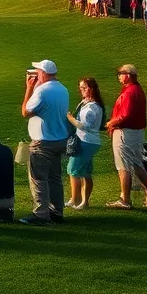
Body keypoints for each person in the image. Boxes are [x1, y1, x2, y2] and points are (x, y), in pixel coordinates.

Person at [20, 59, 70, 225]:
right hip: (59, 140)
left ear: (43, 73)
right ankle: (57, 212)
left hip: (43, 142)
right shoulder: (63, 89)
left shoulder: (42, 92)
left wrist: (28, 88)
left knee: (38, 177)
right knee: (55, 177)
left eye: (38, 72)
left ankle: (41, 214)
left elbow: (25, 112)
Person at [105, 66, 147, 209]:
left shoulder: (130, 91)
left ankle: (125, 199)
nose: (118, 76)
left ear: (129, 75)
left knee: (123, 166)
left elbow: (125, 115)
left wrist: (111, 123)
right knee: (136, 163)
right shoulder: (135, 89)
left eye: (121, 74)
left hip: (126, 132)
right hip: (135, 132)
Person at [65, 77, 104, 210]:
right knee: (86, 172)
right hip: (90, 141)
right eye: (81, 88)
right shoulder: (89, 103)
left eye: (85, 88)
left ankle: (75, 200)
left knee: (73, 170)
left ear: (91, 89)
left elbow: (85, 126)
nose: (82, 90)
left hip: (86, 141)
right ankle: (83, 201)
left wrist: (70, 119)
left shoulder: (91, 107)